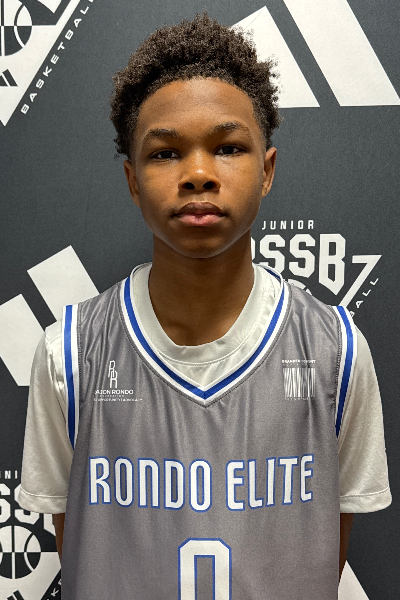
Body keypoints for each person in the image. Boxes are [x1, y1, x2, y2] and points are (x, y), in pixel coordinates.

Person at [19, 13, 391, 599]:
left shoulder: (334, 352)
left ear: (266, 171)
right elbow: (84, 549)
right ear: (132, 180)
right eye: (166, 153)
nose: (198, 174)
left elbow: (322, 555)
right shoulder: (69, 354)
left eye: (228, 148)